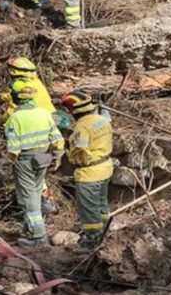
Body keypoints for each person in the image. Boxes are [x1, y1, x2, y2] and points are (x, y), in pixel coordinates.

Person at [0, 56, 60, 213]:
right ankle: (44, 199)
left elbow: (13, 106)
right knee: (39, 162)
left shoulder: (18, 84)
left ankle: (41, 202)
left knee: (29, 162)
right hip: (48, 121)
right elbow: (12, 97)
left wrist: (2, 121)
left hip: (33, 122)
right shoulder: (35, 82)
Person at [3, 79, 64, 247]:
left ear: (17, 98)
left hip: (25, 161)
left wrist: (8, 162)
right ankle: (29, 229)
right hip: (43, 159)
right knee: (35, 193)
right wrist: (57, 156)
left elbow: (13, 148)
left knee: (28, 198)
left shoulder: (15, 118)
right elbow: (58, 139)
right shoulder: (44, 113)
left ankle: (38, 237)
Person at [61, 91, 113, 253]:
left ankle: (92, 242)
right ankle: (105, 235)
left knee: (89, 210)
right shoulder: (102, 120)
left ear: (73, 111)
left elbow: (80, 151)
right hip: (105, 168)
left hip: (89, 174)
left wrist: (69, 154)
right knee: (101, 205)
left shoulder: (81, 127)